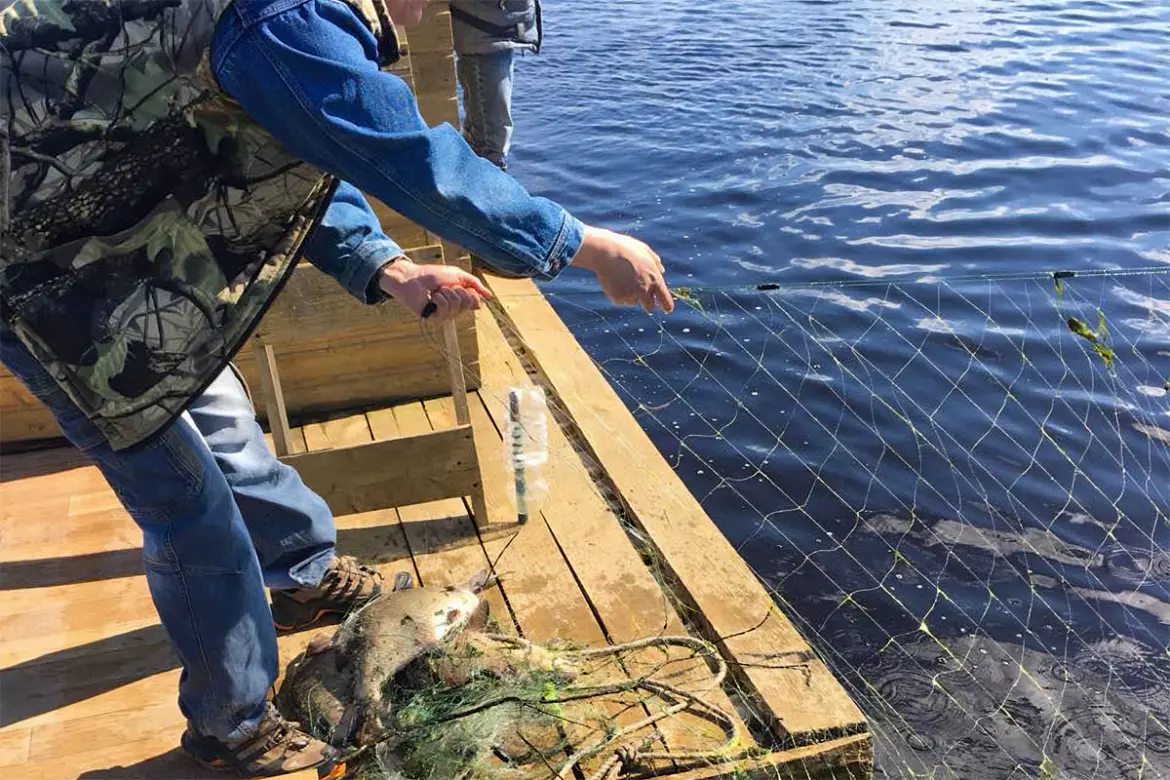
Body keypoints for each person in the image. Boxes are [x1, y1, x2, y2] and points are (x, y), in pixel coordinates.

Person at [0, 0, 673, 777]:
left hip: (113, 250)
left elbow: (291, 139)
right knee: (187, 505)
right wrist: (584, 244)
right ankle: (231, 726)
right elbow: (411, 158)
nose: (431, 18)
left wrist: (386, 267)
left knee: (225, 426)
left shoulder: (282, 24)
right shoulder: (286, 13)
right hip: (42, 275)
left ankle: (301, 575)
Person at [449, 0, 541, 171]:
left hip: (490, 30)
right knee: (488, 142)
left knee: (486, 141)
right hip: (489, 30)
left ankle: (481, 183)